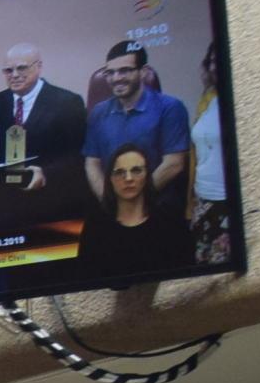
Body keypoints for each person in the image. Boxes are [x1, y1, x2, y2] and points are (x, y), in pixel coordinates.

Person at [84, 38, 192, 214]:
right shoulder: (98, 112)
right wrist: (108, 200)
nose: (116, 78)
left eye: (124, 71)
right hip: (113, 212)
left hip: (157, 209)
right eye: (110, 73)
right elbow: (92, 164)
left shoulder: (170, 108)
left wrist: (134, 201)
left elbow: (174, 164)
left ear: (143, 72)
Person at [0, 42, 87, 226]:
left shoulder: (67, 102)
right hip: (9, 205)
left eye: (22, 68)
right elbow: (0, 149)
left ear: (39, 66)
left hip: (51, 201)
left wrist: (45, 173)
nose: (15, 75)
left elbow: (78, 156)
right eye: (8, 70)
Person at [76, 142, 194, 283]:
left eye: (136, 170)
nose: (128, 178)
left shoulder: (170, 221)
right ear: (110, 180)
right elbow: (86, 277)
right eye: (120, 172)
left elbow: (186, 274)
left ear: (147, 176)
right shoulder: (96, 227)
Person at [188, 38, 237, 267]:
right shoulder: (209, 100)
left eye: (221, 60)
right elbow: (196, 152)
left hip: (226, 204)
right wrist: (191, 201)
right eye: (213, 61)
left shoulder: (237, 100)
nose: (216, 67)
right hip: (203, 201)